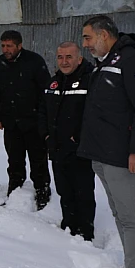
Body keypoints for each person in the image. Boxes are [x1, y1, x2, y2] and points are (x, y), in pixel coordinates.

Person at [78, 15, 135, 268]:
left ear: (104, 35)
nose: (86, 44)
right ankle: (131, 260)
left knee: (129, 216)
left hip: (122, 155)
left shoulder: (132, 60)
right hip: (102, 154)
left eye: (88, 37)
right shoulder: (105, 63)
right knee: (117, 211)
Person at [37, 41, 96, 241]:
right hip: (56, 147)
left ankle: (85, 233)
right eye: (60, 57)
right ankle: (69, 226)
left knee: (83, 192)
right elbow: (43, 111)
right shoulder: (53, 83)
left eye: (69, 57)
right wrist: (45, 135)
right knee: (64, 190)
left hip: (81, 150)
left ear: (79, 59)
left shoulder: (91, 81)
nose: (64, 61)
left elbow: (94, 115)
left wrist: (77, 136)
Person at [0, 30, 52, 210]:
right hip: (10, 121)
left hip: (33, 121)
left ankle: (42, 191)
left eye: (9, 46)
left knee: (38, 159)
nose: (5, 49)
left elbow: (45, 92)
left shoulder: (34, 61)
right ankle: (15, 189)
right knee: (14, 159)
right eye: (3, 45)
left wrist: (43, 118)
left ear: (19, 46)